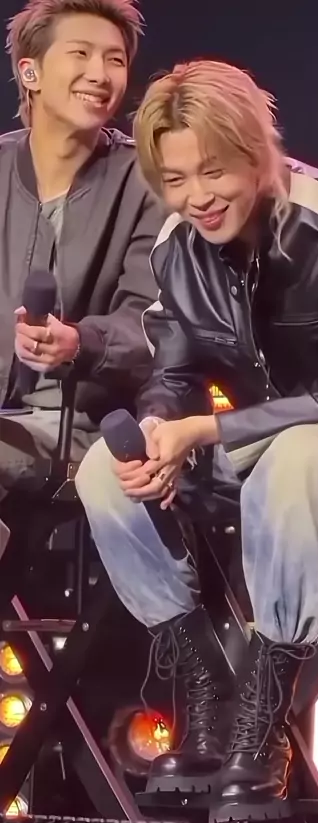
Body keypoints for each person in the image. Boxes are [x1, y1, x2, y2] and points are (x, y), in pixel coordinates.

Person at [76, 60, 318, 821]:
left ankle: (263, 723)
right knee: (105, 470)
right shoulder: (178, 245)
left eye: (213, 171)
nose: (196, 197)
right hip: (261, 444)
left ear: (257, 151)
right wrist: (160, 429)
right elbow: (171, 372)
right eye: (175, 180)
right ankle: (207, 692)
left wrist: (207, 430)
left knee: (295, 455)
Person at [0, 0, 163, 536]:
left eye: (114, 59)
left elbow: (154, 321)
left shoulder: (147, 182)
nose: (100, 73)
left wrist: (81, 343)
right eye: (81, 54)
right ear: (30, 72)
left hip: (85, 425)